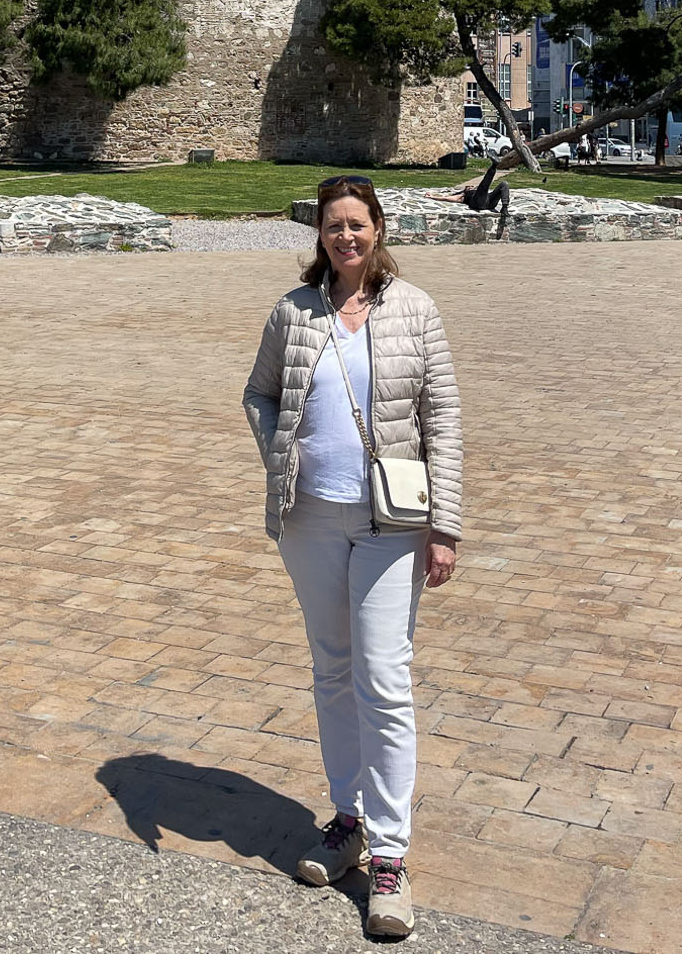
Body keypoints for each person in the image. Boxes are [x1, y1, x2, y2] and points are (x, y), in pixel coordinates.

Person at [243, 175, 462, 940]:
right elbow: (258, 394)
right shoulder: (294, 312)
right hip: (310, 519)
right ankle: (348, 821)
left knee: (383, 678)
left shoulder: (415, 309)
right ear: (319, 235)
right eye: (334, 226)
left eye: (357, 225)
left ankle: (392, 860)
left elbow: (444, 424)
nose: (346, 238)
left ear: (378, 229)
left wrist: (446, 526)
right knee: (332, 669)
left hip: (391, 524)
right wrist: (281, 454)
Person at [457, 159, 511, 237]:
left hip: (489, 201)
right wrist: (435, 197)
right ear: (465, 190)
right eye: (468, 187)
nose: (471, 187)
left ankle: (504, 208)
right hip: (478, 202)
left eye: (471, 186)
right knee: (484, 186)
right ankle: (494, 166)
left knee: (504, 184)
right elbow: (450, 198)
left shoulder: (476, 191)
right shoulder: (464, 194)